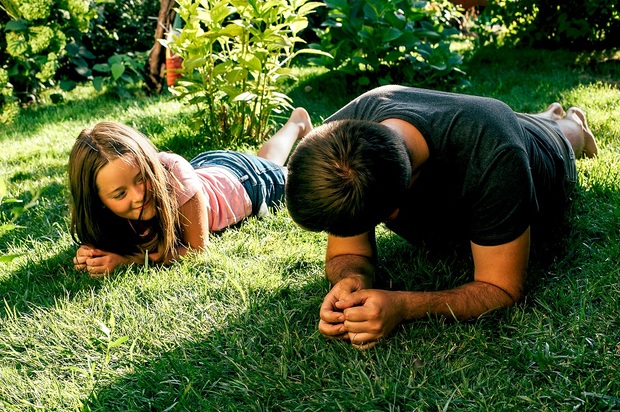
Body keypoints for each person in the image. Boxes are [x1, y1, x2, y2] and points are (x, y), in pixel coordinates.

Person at [285, 85, 598, 349]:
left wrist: (403, 306)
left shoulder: (495, 156)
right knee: (520, 122)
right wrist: (351, 280)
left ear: (394, 213)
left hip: (538, 151)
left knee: (561, 135)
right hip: (481, 121)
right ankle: (545, 116)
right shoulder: (343, 147)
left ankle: (570, 120)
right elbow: (349, 251)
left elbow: (501, 287)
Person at [70, 107, 312, 277]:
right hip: (207, 169)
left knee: (296, 176)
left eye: (142, 178)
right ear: (98, 201)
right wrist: (91, 253)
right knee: (267, 159)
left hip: (246, 183)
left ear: (150, 165)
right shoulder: (104, 208)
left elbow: (197, 251)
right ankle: (297, 122)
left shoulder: (175, 177)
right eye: (120, 194)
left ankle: (299, 127)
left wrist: (130, 260)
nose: (138, 195)